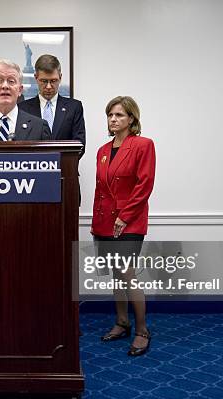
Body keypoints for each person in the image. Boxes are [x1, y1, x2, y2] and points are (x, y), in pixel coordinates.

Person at [91, 96, 155, 356]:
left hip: (129, 221)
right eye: (110, 115)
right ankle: (122, 322)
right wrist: (97, 223)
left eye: (119, 115)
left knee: (127, 274)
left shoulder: (143, 145)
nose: (113, 119)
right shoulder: (103, 151)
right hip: (105, 223)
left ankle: (142, 331)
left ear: (131, 119)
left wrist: (124, 216)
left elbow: (144, 185)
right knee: (115, 276)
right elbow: (100, 190)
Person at [19, 54, 86, 154]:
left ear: (60, 77)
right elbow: (20, 145)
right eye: (44, 81)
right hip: (33, 167)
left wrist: (55, 164)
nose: (49, 86)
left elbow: (80, 145)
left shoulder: (74, 107)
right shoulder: (22, 108)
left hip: (66, 167)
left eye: (53, 81)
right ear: (36, 78)